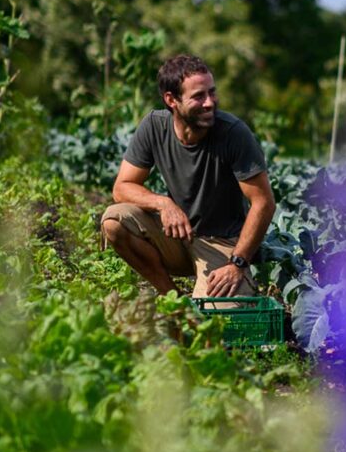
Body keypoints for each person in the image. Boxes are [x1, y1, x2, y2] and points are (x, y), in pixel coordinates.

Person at [101, 54, 275, 301]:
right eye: (198, 96)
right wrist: (164, 203)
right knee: (114, 221)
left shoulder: (233, 134)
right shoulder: (154, 126)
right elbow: (122, 187)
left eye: (212, 93)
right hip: (178, 236)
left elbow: (263, 202)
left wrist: (237, 263)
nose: (209, 103)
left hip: (222, 243)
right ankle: (172, 300)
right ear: (171, 100)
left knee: (219, 324)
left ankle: (215, 291)